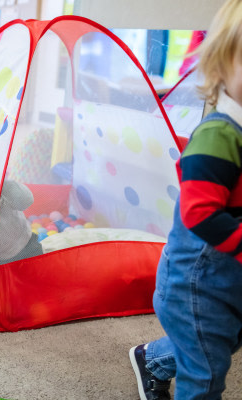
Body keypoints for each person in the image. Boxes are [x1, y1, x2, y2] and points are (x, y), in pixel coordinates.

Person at [129, 1, 242, 399]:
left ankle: (154, 358)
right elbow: (200, 212)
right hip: (196, 283)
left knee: (220, 340)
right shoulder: (219, 136)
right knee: (207, 371)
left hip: (228, 277)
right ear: (220, 67)